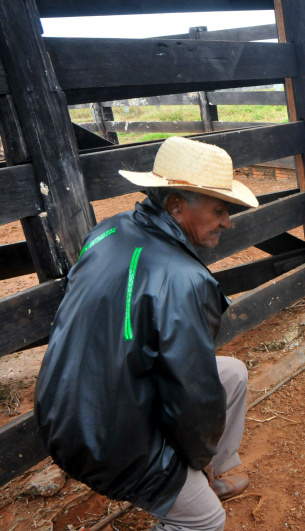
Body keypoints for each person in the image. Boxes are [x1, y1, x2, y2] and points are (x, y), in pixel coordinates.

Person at [34, 136, 260, 531]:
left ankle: (213, 475)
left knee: (234, 374)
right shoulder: (185, 278)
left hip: (66, 408)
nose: (227, 221)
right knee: (205, 522)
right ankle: (195, 491)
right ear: (175, 204)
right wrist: (194, 459)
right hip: (105, 438)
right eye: (219, 209)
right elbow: (189, 395)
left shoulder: (110, 230)